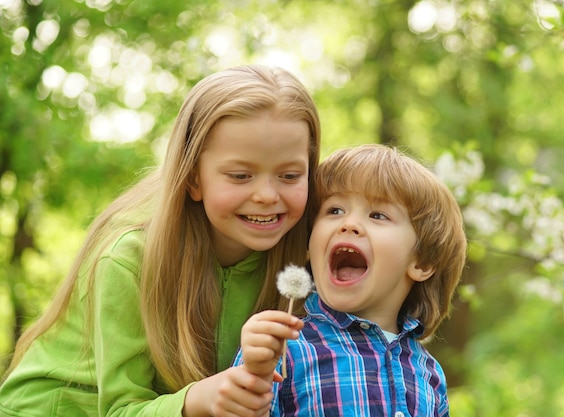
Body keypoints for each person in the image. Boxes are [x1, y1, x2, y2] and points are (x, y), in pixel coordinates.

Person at [0, 65, 320, 417]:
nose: (266, 195)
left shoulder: (306, 256)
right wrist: (196, 400)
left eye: (289, 175)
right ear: (193, 178)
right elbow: (119, 410)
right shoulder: (128, 259)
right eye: (240, 175)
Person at [235, 144, 467, 416]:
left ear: (422, 262)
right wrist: (255, 375)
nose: (349, 223)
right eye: (334, 210)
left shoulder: (430, 375)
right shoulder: (282, 348)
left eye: (377, 215)